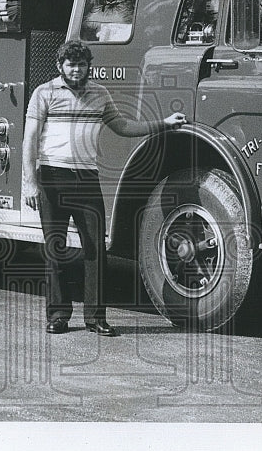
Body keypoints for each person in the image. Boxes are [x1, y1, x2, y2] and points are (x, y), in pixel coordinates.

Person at [23, 40, 187, 336]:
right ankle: (58, 315)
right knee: (54, 248)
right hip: (52, 177)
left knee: (96, 250)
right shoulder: (44, 93)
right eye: (70, 64)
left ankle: (96, 318)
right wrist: (30, 183)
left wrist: (163, 124)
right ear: (60, 66)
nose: (76, 69)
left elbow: (123, 127)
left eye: (81, 64)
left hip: (86, 180)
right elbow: (29, 139)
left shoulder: (100, 94)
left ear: (89, 66)